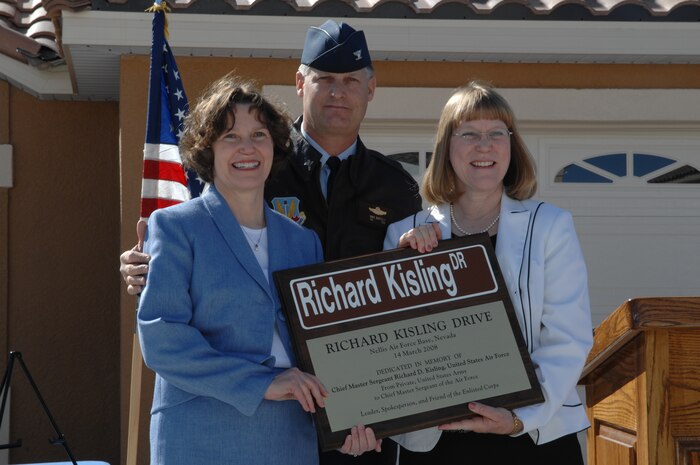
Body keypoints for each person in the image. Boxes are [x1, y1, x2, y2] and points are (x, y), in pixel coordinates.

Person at [122, 20, 422, 465]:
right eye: (231, 137)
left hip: (297, 436)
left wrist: (362, 413)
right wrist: (261, 383)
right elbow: (163, 338)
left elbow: (334, 333)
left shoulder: (324, 229)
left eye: (258, 136)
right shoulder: (180, 225)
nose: (247, 149)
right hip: (204, 438)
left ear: (371, 88)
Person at [383, 81, 593, 464]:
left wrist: (517, 418)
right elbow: (390, 344)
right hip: (438, 441)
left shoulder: (550, 227)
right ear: (447, 147)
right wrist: (400, 270)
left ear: (512, 146)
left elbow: (568, 338)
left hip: (531, 437)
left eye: (497, 133)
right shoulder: (403, 234)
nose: (484, 145)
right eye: (469, 134)